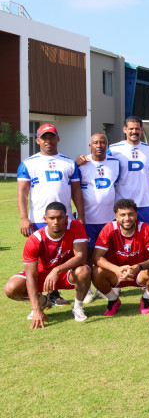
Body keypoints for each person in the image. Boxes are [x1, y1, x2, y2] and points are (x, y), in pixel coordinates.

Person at [17, 123, 85, 307]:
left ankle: (68, 290)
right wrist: (23, 217)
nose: (48, 141)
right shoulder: (28, 163)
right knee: (41, 261)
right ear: (38, 140)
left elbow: (76, 192)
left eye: (51, 137)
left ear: (58, 139)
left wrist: (80, 215)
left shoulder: (68, 163)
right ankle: (44, 296)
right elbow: (22, 193)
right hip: (39, 220)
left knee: (67, 255)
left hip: (65, 219)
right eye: (44, 138)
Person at [4, 202, 91, 328]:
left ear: (66, 218)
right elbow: (30, 276)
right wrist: (36, 309)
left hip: (67, 273)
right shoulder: (35, 239)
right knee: (11, 288)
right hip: (43, 275)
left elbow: (81, 257)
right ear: (45, 219)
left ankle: (77, 307)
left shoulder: (75, 226)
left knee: (84, 271)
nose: (56, 222)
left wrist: (56, 270)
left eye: (60, 218)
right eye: (51, 218)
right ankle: (43, 302)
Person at [92, 199, 149, 316]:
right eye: (122, 215)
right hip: (116, 274)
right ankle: (113, 300)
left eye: (131, 214)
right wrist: (116, 269)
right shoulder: (109, 228)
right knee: (96, 272)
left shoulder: (145, 228)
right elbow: (96, 257)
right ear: (116, 216)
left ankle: (146, 299)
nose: (127, 218)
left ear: (136, 214)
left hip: (139, 273)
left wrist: (137, 267)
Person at [106, 116, 149, 229]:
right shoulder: (114, 149)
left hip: (144, 202)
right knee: (122, 236)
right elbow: (99, 162)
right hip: (122, 203)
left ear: (141, 130)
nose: (134, 131)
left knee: (147, 236)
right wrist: (82, 158)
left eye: (137, 128)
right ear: (124, 129)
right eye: (131, 128)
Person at [77, 133, 121, 251]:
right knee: (88, 253)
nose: (99, 145)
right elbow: (75, 190)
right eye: (95, 143)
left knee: (109, 253)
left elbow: (116, 186)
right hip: (88, 221)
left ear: (107, 145)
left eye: (102, 143)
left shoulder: (115, 163)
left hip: (109, 219)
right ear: (90, 145)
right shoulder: (81, 164)